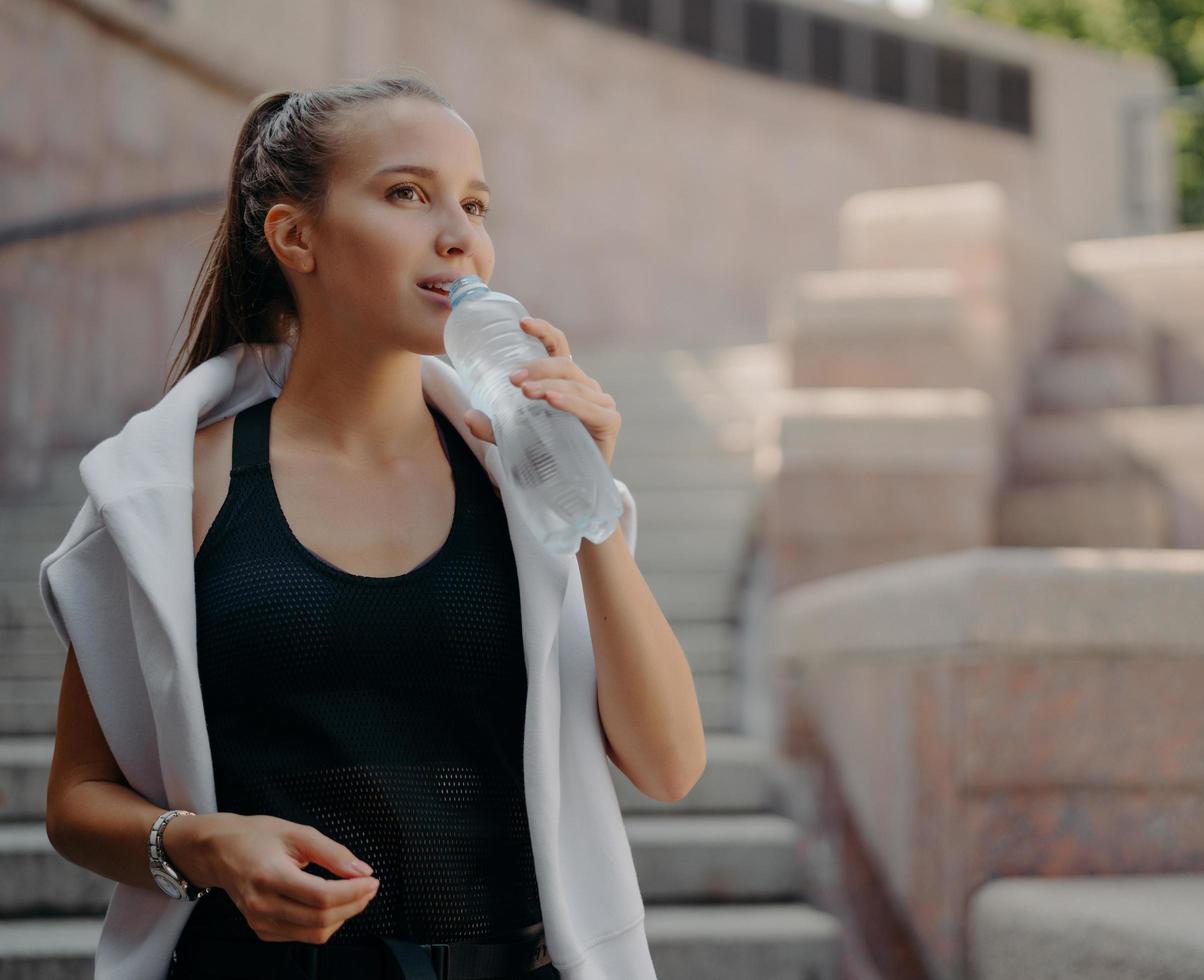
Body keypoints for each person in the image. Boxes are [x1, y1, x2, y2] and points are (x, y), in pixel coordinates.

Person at [39, 75, 706, 980]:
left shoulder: (524, 488)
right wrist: (208, 845)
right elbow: (77, 800)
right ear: (295, 236)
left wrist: (583, 500)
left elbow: (669, 766)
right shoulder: (163, 489)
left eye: (474, 203)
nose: (459, 233)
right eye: (407, 193)